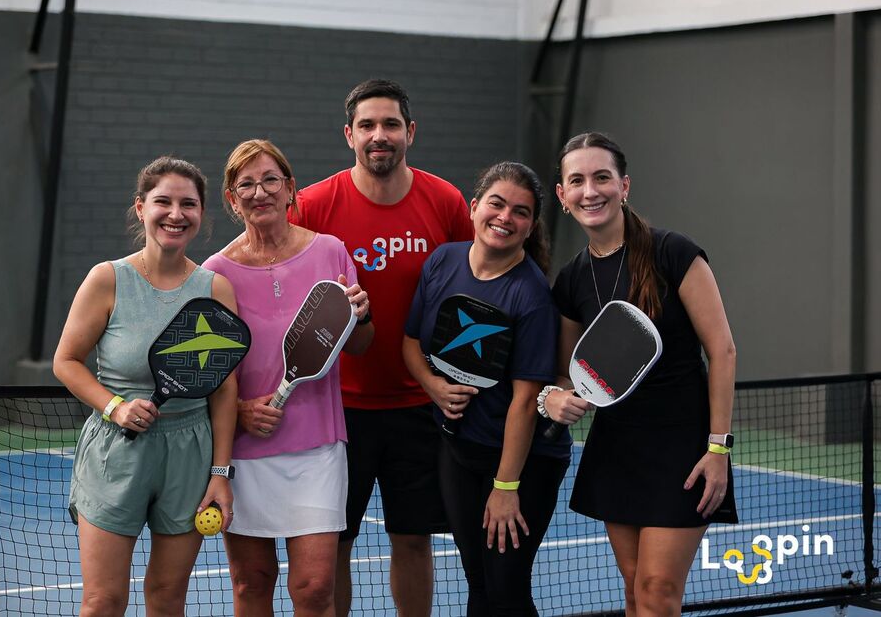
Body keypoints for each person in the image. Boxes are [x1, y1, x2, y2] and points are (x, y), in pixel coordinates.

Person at [290, 79, 474, 616]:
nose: (379, 135)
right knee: (335, 546)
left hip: (421, 405)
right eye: (367, 125)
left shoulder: (444, 201)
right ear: (349, 135)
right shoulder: (315, 205)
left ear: (410, 132)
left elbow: (475, 283)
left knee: (414, 540)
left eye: (390, 124)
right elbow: (268, 260)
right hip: (335, 411)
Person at [543, 132, 738, 616]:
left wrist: (718, 448)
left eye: (602, 177)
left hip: (683, 449)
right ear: (563, 197)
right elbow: (567, 372)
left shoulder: (675, 252)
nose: (591, 190)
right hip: (618, 448)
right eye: (577, 181)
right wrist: (555, 396)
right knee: (634, 591)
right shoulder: (571, 279)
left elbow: (723, 350)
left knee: (657, 591)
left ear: (624, 186)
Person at [53, 156, 238, 617]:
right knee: (102, 602)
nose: (176, 214)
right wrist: (114, 406)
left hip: (190, 455)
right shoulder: (107, 279)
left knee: (167, 599)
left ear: (201, 214)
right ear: (140, 208)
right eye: (163, 202)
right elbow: (66, 362)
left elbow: (224, 390)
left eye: (188, 204)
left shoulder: (216, 288)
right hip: (116, 451)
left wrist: (220, 475)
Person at [203, 139, 374, 616]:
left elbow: (359, 345)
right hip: (242, 450)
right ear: (232, 199)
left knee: (316, 586)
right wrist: (237, 411)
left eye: (270, 180)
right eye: (246, 185)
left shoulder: (331, 252)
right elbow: (212, 369)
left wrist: (361, 315)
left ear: (290, 189)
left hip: (318, 447)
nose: (260, 192)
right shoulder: (215, 273)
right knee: (251, 583)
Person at [403, 162, 569, 616]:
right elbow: (412, 343)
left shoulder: (531, 295)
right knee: (477, 582)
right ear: (474, 207)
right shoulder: (443, 261)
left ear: (531, 226)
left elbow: (524, 402)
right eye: (496, 204)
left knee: (506, 589)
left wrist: (506, 486)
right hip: (458, 450)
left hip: (522, 463)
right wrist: (434, 386)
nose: (505, 217)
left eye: (520, 211)